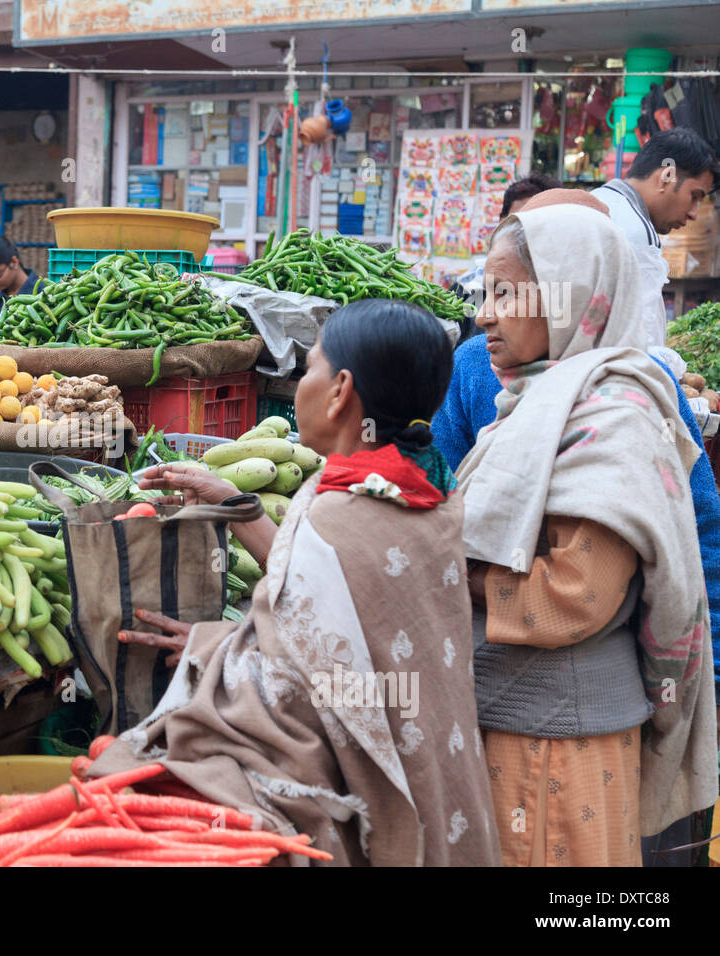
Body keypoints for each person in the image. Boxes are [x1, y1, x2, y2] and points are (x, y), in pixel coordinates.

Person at [89, 301, 502, 866]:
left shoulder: (339, 512)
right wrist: (233, 502)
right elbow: (317, 584)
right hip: (437, 764)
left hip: (358, 789)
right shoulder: (427, 488)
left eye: (309, 368)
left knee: (140, 761)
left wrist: (211, 647)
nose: (301, 382)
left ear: (340, 391)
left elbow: (294, 684)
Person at [432, 190, 720, 866]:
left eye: (506, 295)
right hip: (519, 719)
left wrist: (449, 568)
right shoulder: (533, 399)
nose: (484, 316)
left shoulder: (613, 418)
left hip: (558, 736)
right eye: (486, 293)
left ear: (571, 297)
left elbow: (576, 594)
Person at [592, 128, 719, 347]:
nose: (694, 213)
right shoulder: (637, 233)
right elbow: (644, 343)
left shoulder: (597, 199)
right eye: (694, 196)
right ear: (665, 177)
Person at [451, 172, 560, 336]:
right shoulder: (467, 288)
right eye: (517, 222)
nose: (484, 318)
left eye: (536, 224)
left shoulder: (561, 293)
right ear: (501, 223)